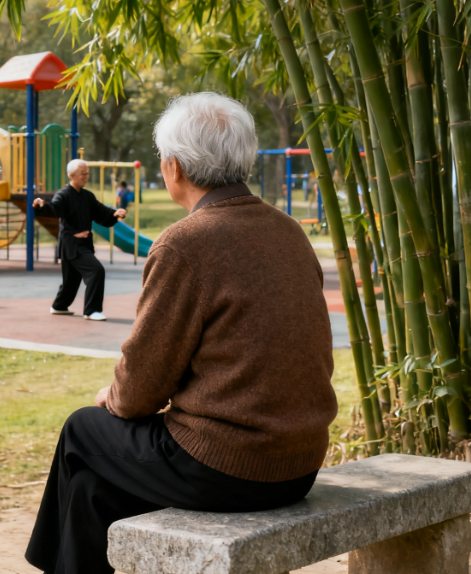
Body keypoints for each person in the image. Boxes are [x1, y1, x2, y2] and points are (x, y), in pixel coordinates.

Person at [25, 92, 338, 574]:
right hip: (298, 463)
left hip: (227, 465)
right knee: (92, 492)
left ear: (173, 168)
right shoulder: (288, 230)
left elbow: (139, 391)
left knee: (81, 429)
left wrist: (114, 395)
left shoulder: (185, 243)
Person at [32, 159, 127, 321]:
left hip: (83, 244)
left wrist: (114, 214)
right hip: (72, 245)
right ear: (71, 175)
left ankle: (59, 306)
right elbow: (54, 208)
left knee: (71, 281)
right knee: (96, 271)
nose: (86, 176)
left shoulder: (88, 196)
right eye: (83, 174)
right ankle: (91, 311)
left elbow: (100, 212)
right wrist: (41, 206)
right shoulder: (63, 195)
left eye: (87, 173)